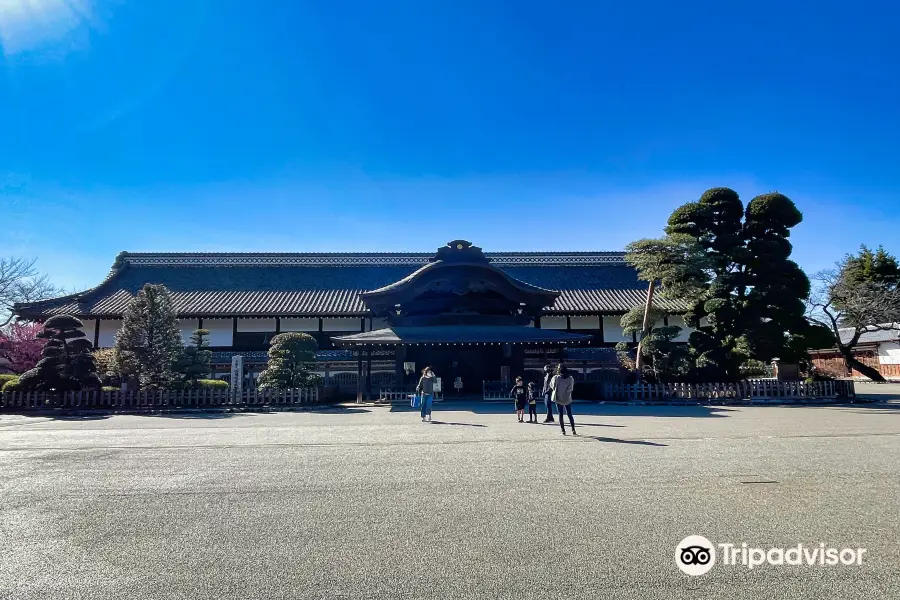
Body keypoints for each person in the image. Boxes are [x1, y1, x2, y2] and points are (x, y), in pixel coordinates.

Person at [550, 364, 576, 435]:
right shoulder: (570, 378)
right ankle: (573, 429)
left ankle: (563, 430)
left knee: (560, 414)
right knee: (569, 414)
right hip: (567, 398)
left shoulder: (556, 378)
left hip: (558, 398)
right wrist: (566, 395)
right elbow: (570, 389)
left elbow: (552, 386)